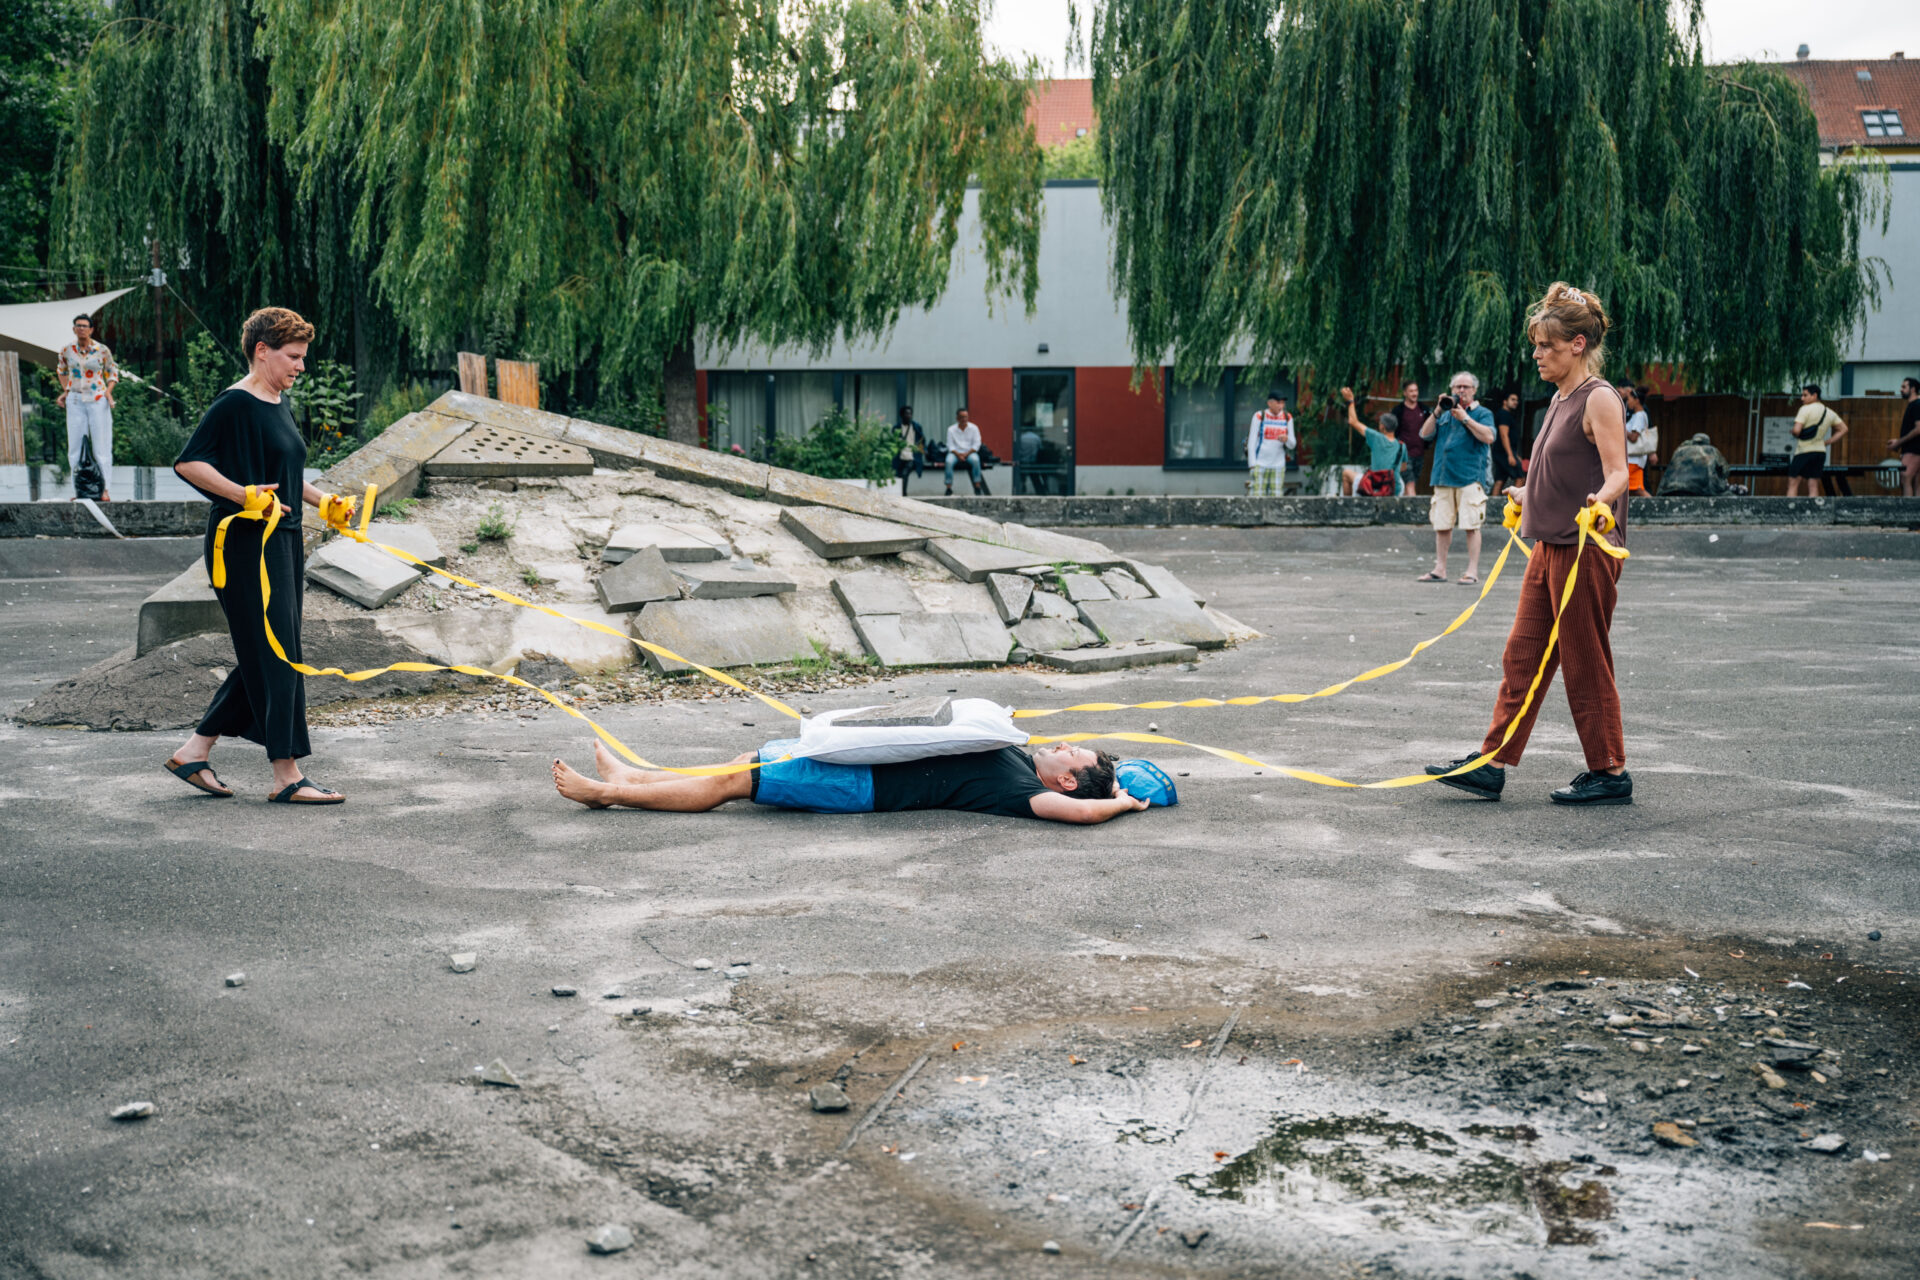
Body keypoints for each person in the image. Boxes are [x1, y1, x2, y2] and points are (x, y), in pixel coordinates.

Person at [1426, 281, 1632, 806]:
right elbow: (1556, 469)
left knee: (1585, 659)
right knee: (1522, 655)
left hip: (1586, 550)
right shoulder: (1559, 400)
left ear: (1578, 345)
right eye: (1537, 344)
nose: (1537, 354)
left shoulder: (1599, 398)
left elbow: (1617, 474)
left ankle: (1609, 772)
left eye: (1548, 345)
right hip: (1549, 546)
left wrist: (1600, 504)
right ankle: (1490, 764)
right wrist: (1525, 490)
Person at [165, 307, 352, 805]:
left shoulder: (276, 400)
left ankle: (193, 751)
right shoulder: (235, 403)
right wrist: (241, 494)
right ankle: (286, 774)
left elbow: (286, 472)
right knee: (276, 652)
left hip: (284, 541)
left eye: (303, 357)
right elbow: (189, 463)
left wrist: (324, 503)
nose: (301, 366)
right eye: (293, 356)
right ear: (261, 351)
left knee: (268, 649)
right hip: (246, 546)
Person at [551, 737, 1150, 824]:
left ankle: (607, 794)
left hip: (862, 786)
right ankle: (638, 776)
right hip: (858, 756)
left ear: (1068, 784)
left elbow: (1085, 815)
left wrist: (1122, 803)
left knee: (734, 783)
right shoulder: (1015, 753)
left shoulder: (1031, 794)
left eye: (1073, 754)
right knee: (745, 761)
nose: (1064, 745)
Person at [1415, 372, 1496, 585]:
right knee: (1441, 525)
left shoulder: (1482, 413)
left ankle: (1472, 571)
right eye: (1457, 387)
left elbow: (1488, 437)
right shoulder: (1444, 414)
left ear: (1474, 390)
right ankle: (1440, 569)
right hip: (1442, 476)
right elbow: (1424, 434)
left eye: (1466, 387)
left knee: (1471, 525)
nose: (1461, 390)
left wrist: (1466, 419)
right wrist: (1438, 410)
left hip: (1470, 477)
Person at [56, 313, 119, 501]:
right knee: (75, 447)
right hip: (75, 399)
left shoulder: (101, 350)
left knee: (101, 446)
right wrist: (66, 390)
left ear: (91, 329)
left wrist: (108, 391)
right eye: (78, 325)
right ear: (74, 329)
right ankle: (80, 490)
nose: (81, 328)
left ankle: (105, 489)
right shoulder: (67, 350)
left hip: (97, 398)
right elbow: (61, 370)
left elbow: (112, 371)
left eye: (85, 325)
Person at [1336, 386, 1407, 494]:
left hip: (1376, 486)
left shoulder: (1376, 438)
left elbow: (1353, 421)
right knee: (1401, 482)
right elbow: (1403, 467)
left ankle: (1347, 507)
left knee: (1346, 474)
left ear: (1382, 427)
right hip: (1393, 489)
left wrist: (1350, 401)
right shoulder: (1402, 446)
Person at [1786, 384, 1846, 497]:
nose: (1802, 398)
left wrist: (1793, 432)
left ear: (1814, 395)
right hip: (1820, 452)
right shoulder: (1829, 412)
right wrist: (1827, 442)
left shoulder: (1805, 409)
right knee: (1813, 485)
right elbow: (1843, 429)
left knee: (1793, 483)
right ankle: (1813, 512)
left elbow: (1797, 430)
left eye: (1805, 395)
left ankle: (1791, 511)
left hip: (1803, 451)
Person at [1245, 391, 1294, 496]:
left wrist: (1287, 439)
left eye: (1282, 403)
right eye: (1278, 403)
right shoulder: (1260, 416)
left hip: (1278, 464)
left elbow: (1292, 444)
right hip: (1260, 463)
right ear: (1270, 403)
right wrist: (1252, 464)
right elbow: (1252, 441)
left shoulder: (1287, 417)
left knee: (1276, 497)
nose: (1281, 406)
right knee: (1257, 496)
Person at [1391, 381, 1429, 496]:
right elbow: (1392, 432)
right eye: (1411, 391)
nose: (1414, 393)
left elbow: (1430, 429)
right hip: (1404, 455)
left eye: (1416, 390)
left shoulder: (1424, 409)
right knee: (1410, 483)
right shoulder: (1398, 411)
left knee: (1411, 483)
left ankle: (1405, 510)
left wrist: (1427, 444)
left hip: (1419, 453)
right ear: (1405, 393)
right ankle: (1413, 511)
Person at [1620, 384, 1656, 495]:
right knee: (1635, 488)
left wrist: (1621, 428)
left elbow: (1634, 437)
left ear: (1637, 400)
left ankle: (1655, 507)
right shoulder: (1638, 415)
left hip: (1633, 460)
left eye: (1630, 399)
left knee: (1631, 488)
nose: (1628, 402)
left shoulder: (1639, 416)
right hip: (1634, 460)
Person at [1889, 376, 1920, 497]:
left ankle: (1907, 513)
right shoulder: (1914, 405)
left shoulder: (1916, 405)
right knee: (1917, 483)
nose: (1901, 389)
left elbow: (1918, 429)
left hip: (1914, 450)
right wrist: (1899, 441)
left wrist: (1898, 443)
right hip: (1914, 449)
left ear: (1912, 389)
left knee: (1905, 479)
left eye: (1904, 387)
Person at [944, 408, 985, 495]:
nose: (964, 419)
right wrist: (958, 455)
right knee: (948, 461)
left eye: (966, 417)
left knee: (975, 460)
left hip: (970, 452)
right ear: (957, 418)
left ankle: (977, 486)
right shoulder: (951, 429)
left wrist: (966, 454)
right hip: (955, 453)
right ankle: (948, 488)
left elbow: (977, 444)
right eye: (962, 417)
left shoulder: (974, 428)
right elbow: (950, 445)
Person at [1492, 391, 1525, 496]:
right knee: (1520, 477)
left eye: (1517, 400)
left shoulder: (1506, 414)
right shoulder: (1504, 415)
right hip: (1504, 453)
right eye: (1512, 399)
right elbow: (1503, 435)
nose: (1516, 402)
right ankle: (1515, 505)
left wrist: (1515, 454)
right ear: (1504, 402)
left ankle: (1491, 506)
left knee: (1500, 479)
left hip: (1504, 452)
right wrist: (1510, 455)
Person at [893, 404, 926, 494]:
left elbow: (921, 440)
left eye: (910, 414)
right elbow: (893, 442)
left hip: (912, 456)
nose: (909, 416)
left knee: (904, 474)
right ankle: (900, 494)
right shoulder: (896, 428)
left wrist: (922, 451)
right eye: (906, 414)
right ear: (902, 415)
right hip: (900, 456)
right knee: (899, 475)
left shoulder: (916, 427)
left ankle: (904, 494)